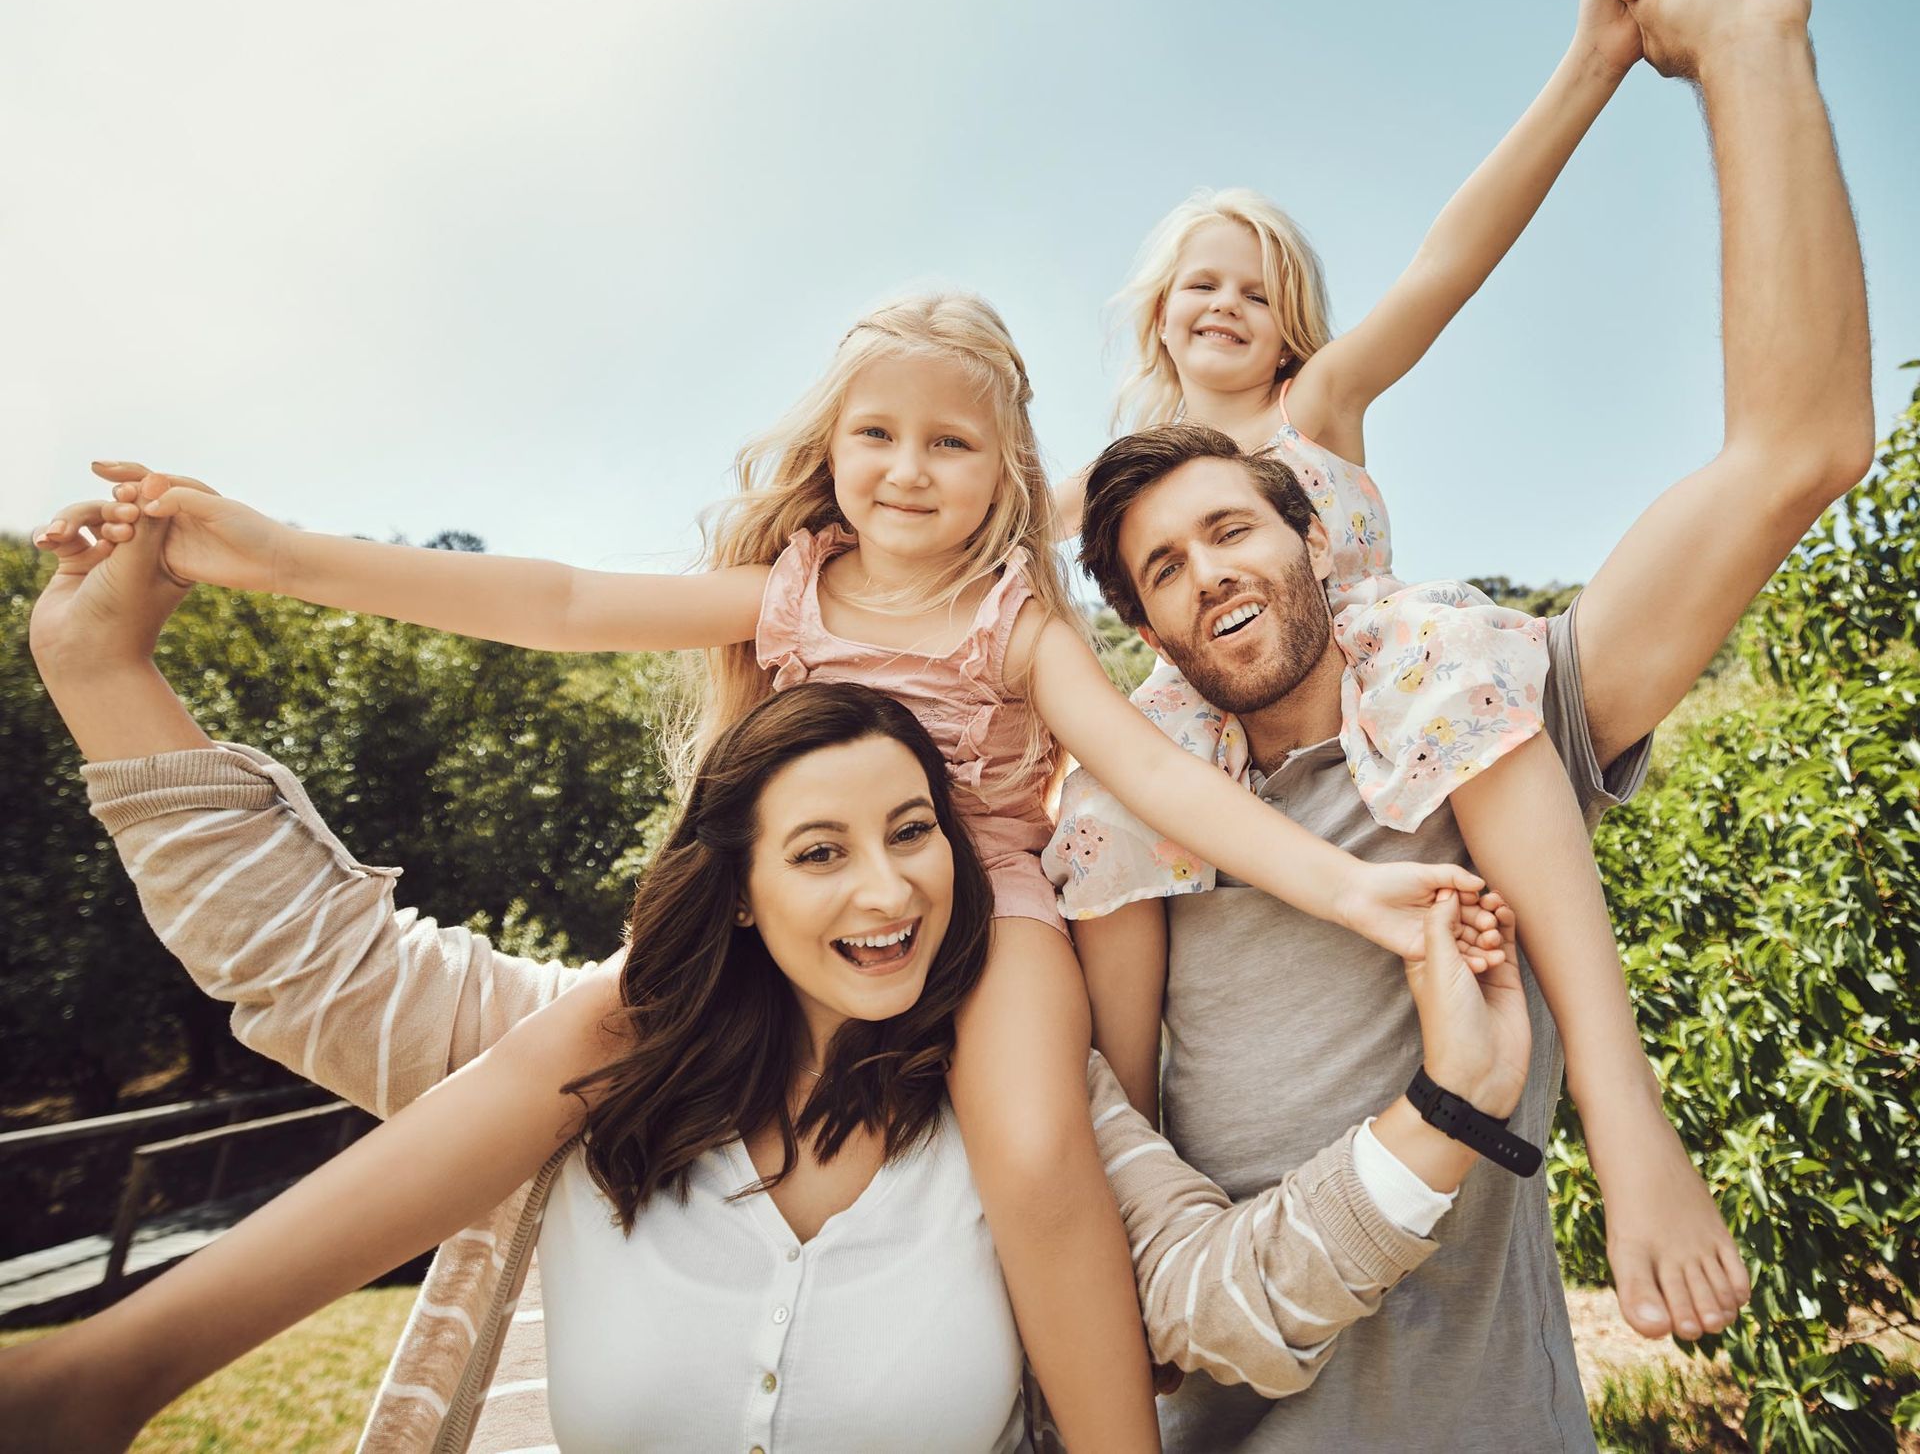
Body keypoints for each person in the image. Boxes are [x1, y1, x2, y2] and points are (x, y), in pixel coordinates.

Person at [50, 293, 1491, 1449]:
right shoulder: (794, 590)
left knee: (1044, 1152)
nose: (909, 470)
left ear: (1007, 479)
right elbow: (554, 601)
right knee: (556, 1054)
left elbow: (1158, 775)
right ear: (833, 448)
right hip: (797, 902)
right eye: (878, 435)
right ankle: (124, 1365)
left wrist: (1348, 886)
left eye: (953, 445)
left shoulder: (1015, 625)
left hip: (987, 901)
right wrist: (285, 555)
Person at [1063, 0, 1872, 1449]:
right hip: (1186, 813)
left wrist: (1625, 60)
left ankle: (1628, 1125)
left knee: (1456, 669)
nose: (1223, 302)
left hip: (1415, 705)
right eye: (1164, 561)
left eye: (1253, 281)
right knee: (1090, 825)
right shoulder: (1105, 520)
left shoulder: (1341, 437)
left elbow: (1780, 437)